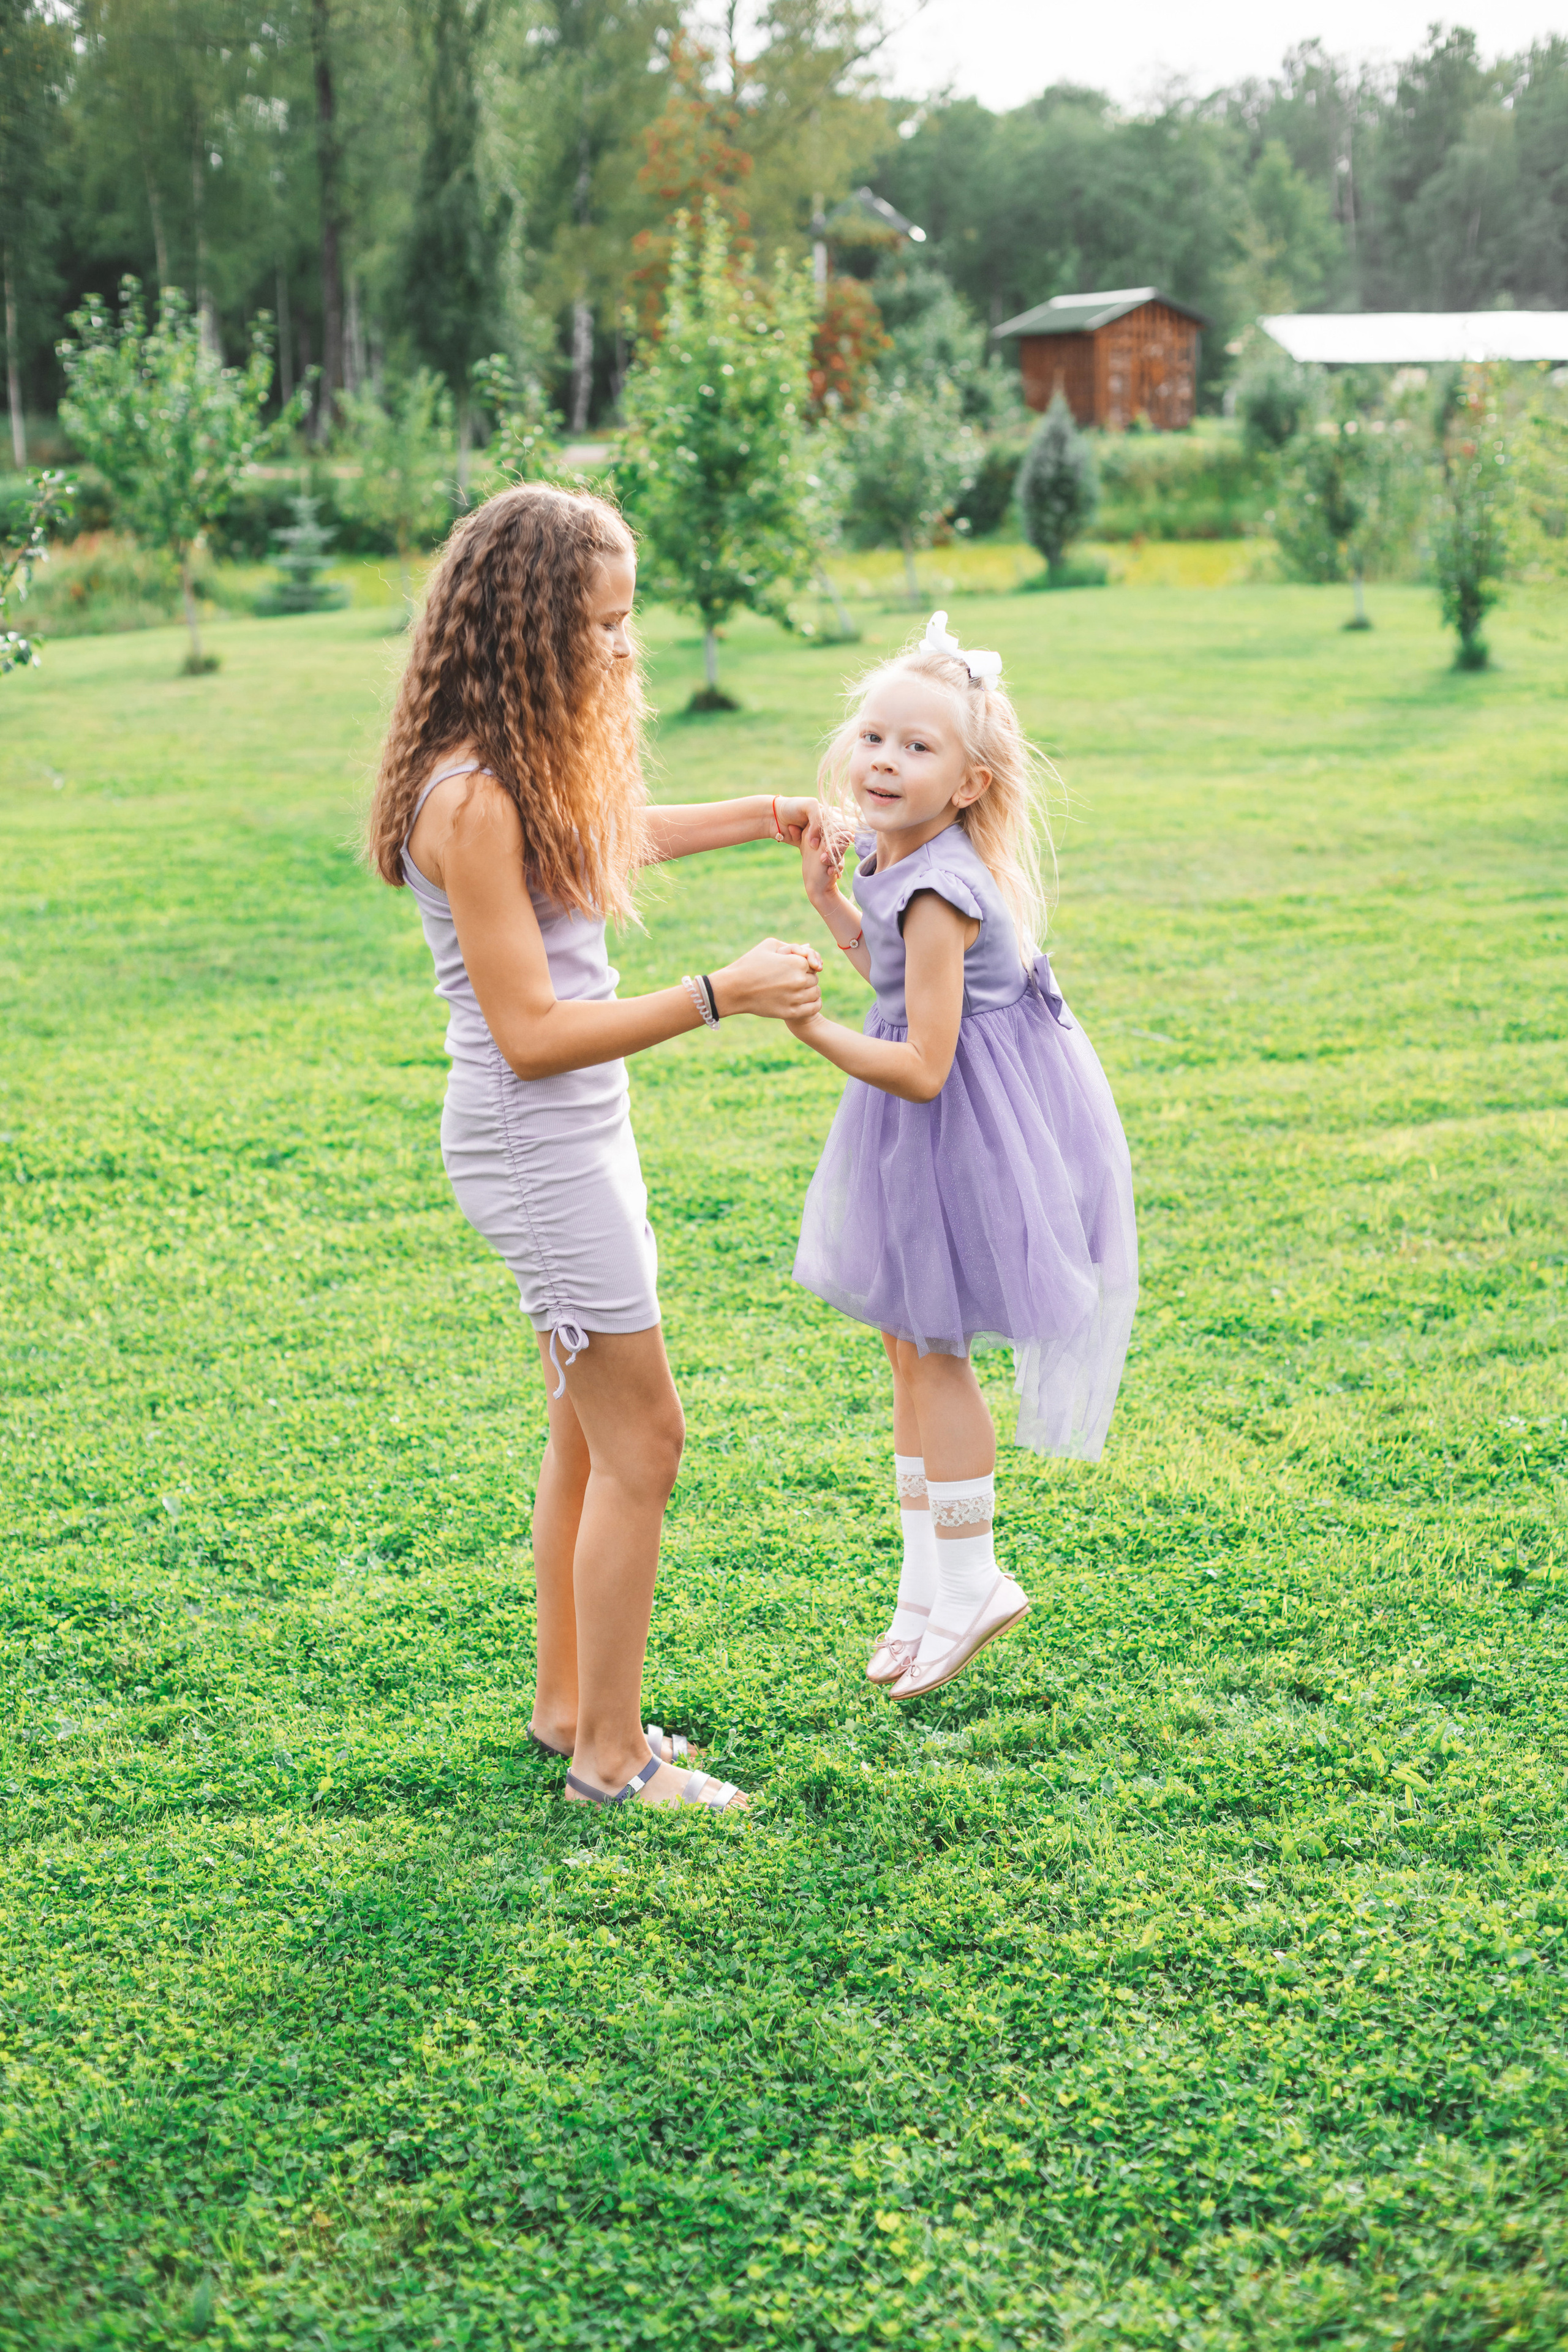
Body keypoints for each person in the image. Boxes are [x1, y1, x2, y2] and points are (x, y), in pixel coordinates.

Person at [367, 483, 824, 1811]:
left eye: (629, 622)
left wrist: (762, 811)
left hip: (564, 1138)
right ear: (525, 625)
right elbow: (529, 1032)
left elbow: (595, 845)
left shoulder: (502, 770)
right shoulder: (473, 800)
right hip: (535, 1141)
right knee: (645, 1444)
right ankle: (611, 1766)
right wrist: (716, 994)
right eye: (603, 626)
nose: (625, 651)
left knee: (584, 1430)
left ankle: (568, 1709)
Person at [788, 612, 1139, 1700]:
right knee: (907, 1344)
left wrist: (805, 1029)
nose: (884, 760)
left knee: (935, 1348)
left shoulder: (942, 889)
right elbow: (891, 977)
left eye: (918, 747)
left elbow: (924, 1063)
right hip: (931, 1121)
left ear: (972, 784)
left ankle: (975, 1577)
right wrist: (828, 905)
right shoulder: (902, 864)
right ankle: (923, 1592)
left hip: (961, 1124)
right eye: (873, 737)